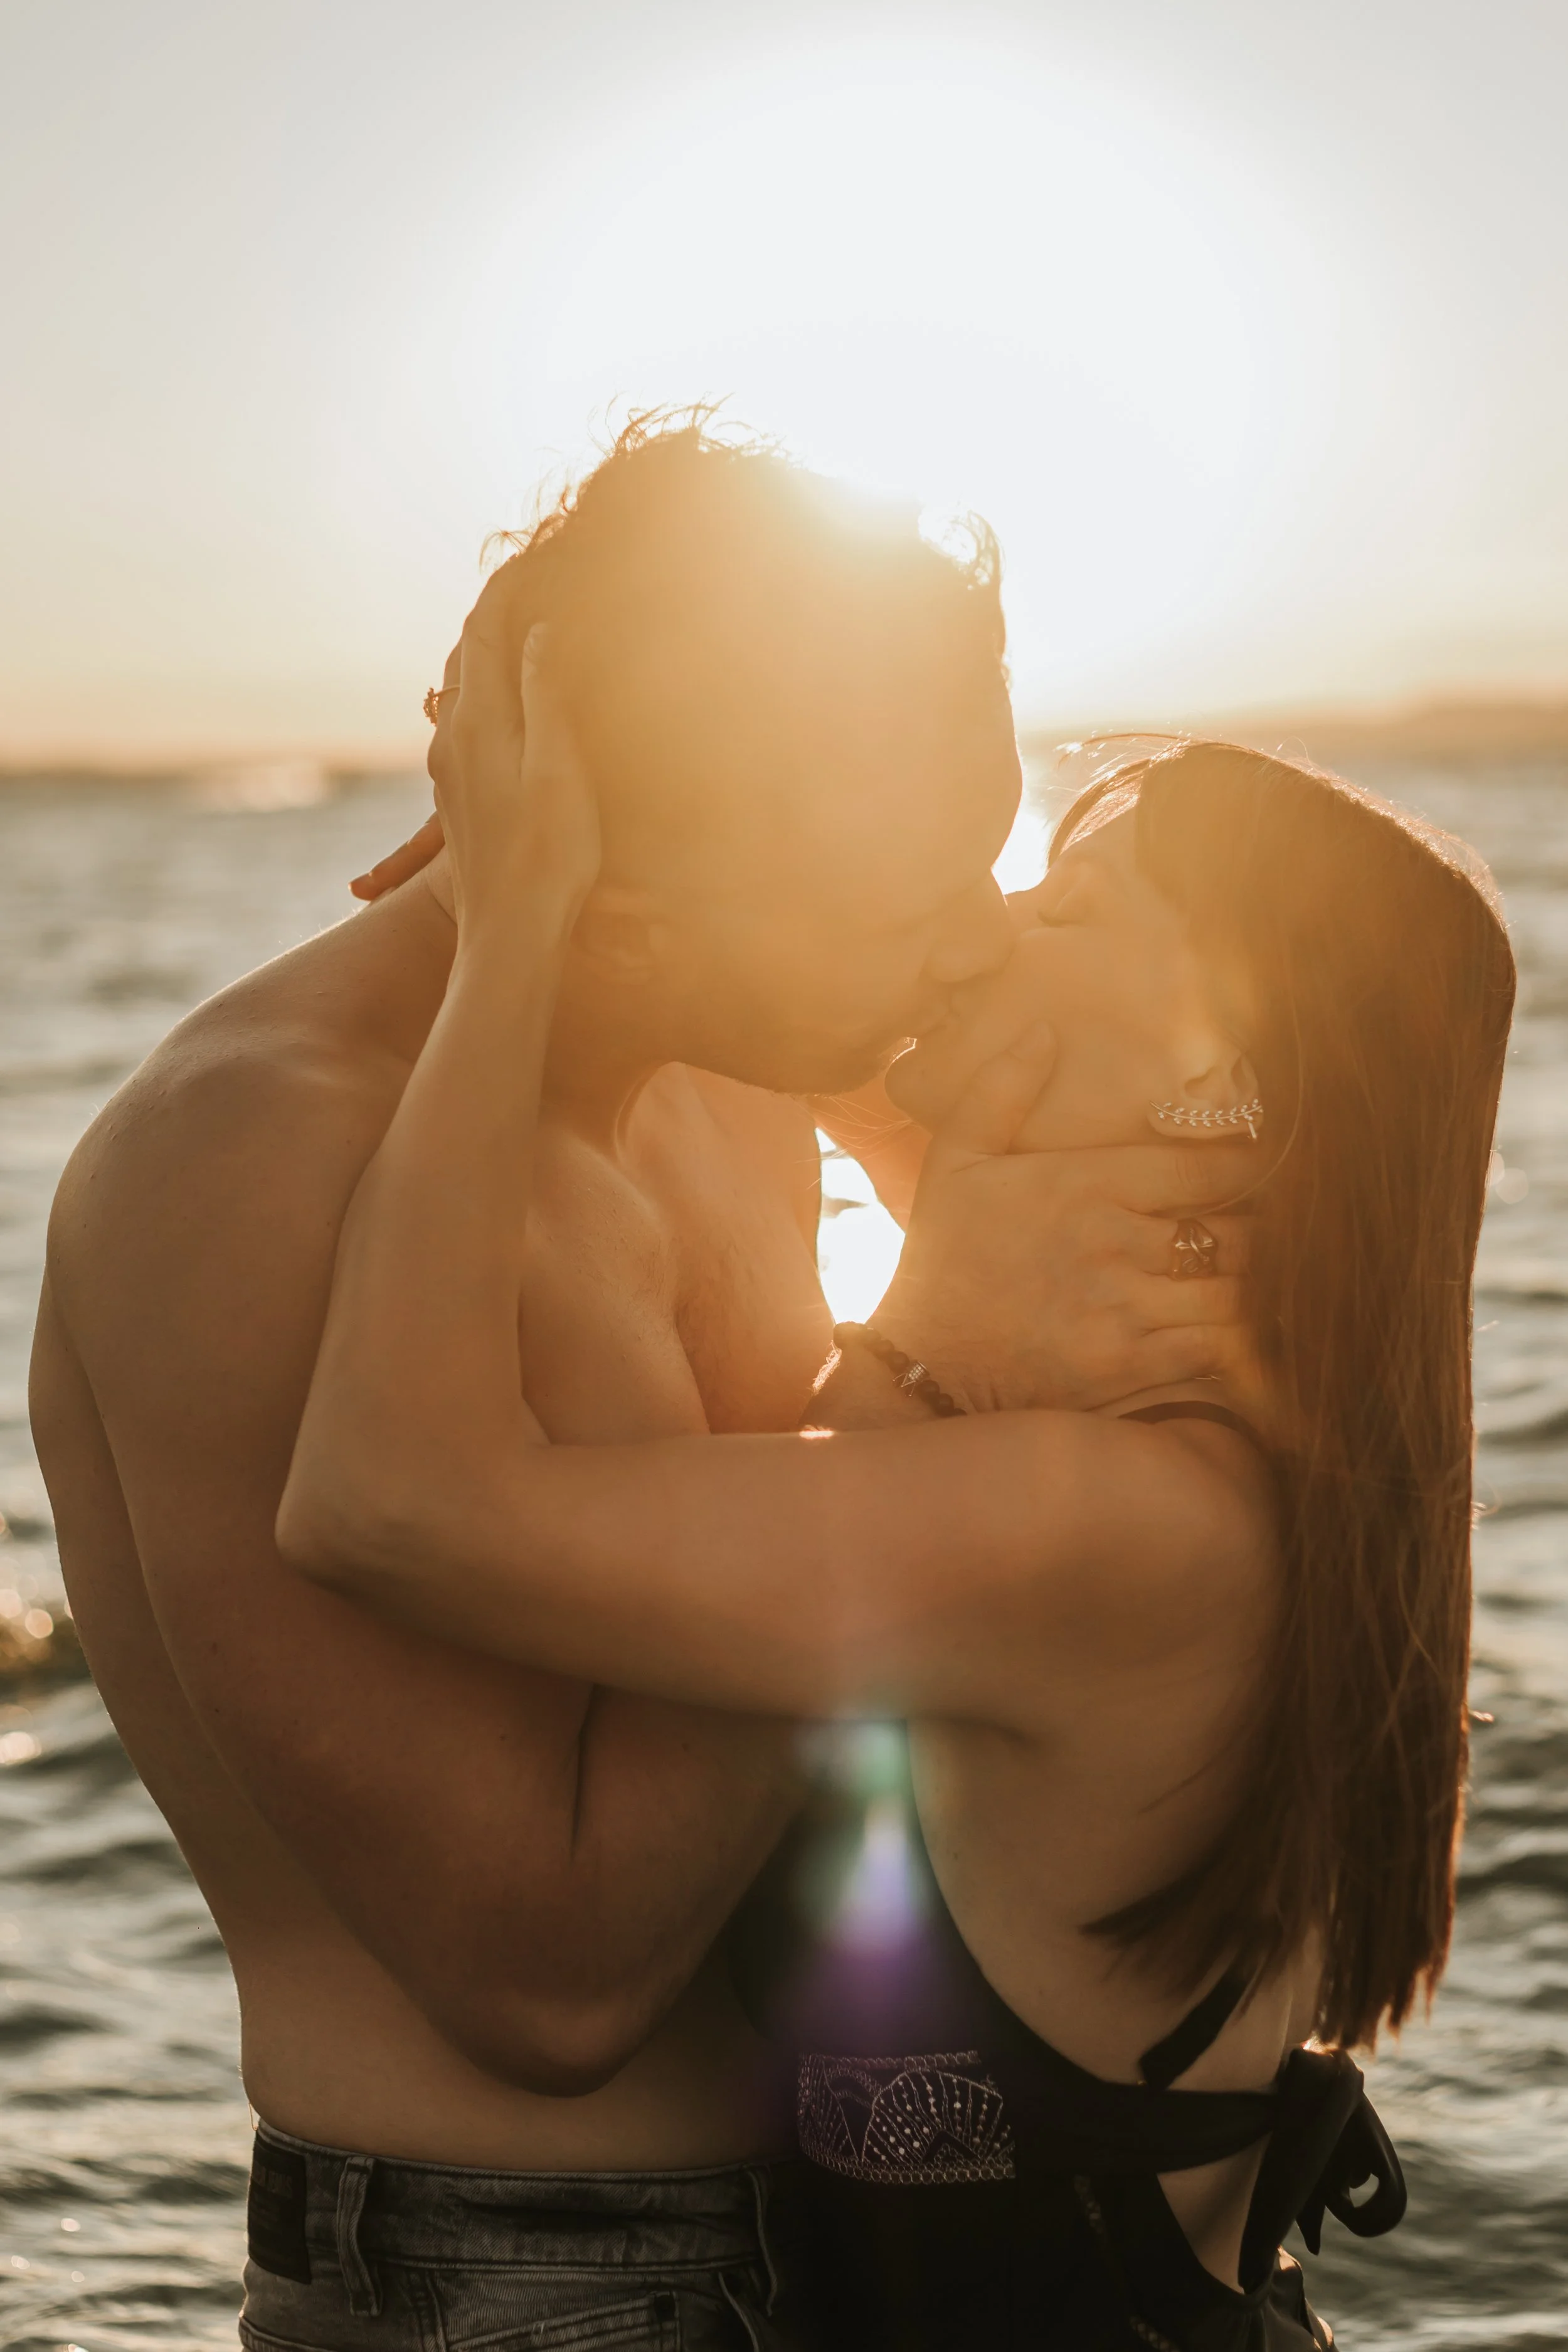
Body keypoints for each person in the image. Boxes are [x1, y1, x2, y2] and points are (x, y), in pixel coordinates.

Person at [29, 417, 1248, 2352]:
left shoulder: (725, 1065)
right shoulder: (255, 1167)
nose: (976, 936)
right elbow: (548, 1978)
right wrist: (910, 1379)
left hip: (872, 2234)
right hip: (520, 2274)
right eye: (912, 890)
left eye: (988, 849)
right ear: (625, 887)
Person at [277, 601, 1516, 2349]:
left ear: (1213, 1073)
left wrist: (515, 935)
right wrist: (641, 841)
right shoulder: (1243, 1452)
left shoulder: (1109, 1528)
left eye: (1065, 909)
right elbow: (847, 1046)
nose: (988, 927)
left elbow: (385, 1500)